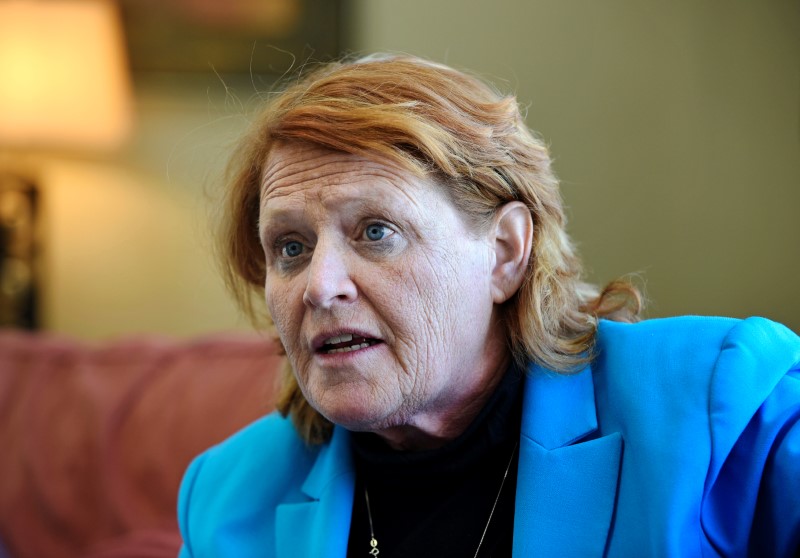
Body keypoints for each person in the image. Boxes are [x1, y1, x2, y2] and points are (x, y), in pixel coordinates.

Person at [177, 54, 800, 557]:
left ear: (504, 253)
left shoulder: (721, 409)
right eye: (291, 246)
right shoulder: (228, 498)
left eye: (376, 231)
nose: (319, 285)